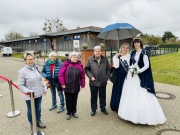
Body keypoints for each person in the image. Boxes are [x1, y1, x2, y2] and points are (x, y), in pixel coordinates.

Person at [118, 38, 167, 125]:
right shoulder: (133, 53)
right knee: (130, 94)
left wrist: (138, 71)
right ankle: (130, 114)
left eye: (138, 43)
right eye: (135, 43)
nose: (136, 44)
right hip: (132, 77)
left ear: (140, 44)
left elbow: (147, 65)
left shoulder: (144, 53)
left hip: (140, 76)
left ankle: (143, 117)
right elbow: (129, 61)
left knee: (142, 94)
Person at [18, 52, 47, 129]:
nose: (31, 61)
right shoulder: (22, 71)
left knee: (38, 108)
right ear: (25, 61)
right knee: (31, 110)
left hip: (39, 94)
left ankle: (38, 121)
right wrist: (29, 92)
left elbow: (40, 80)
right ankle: (32, 124)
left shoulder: (36, 68)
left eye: (32, 59)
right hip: (29, 96)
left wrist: (44, 88)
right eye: (29, 59)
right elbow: (20, 85)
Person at [58, 51, 85, 120]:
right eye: (73, 57)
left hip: (76, 85)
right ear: (70, 58)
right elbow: (60, 75)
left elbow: (82, 76)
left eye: (76, 57)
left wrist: (82, 84)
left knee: (75, 100)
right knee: (68, 100)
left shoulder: (80, 65)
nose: (75, 58)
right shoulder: (66, 64)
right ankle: (68, 112)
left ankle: (74, 112)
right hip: (67, 86)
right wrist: (63, 84)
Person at [85, 46, 111, 116]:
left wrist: (106, 77)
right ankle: (93, 109)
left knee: (102, 96)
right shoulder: (90, 59)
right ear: (94, 52)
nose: (97, 52)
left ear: (101, 52)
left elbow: (109, 69)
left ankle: (103, 108)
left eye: (99, 51)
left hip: (103, 81)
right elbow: (86, 69)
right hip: (93, 82)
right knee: (93, 96)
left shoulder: (105, 59)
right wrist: (90, 77)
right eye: (96, 51)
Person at [110, 43, 130, 112]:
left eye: (127, 48)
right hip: (119, 77)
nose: (125, 49)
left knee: (126, 90)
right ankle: (117, 105)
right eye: (124, 47)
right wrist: (116, 57)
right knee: (118, 90)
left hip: (127, 77)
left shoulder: (129, 56)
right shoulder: (117, 56)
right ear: (121, 48)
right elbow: (116, 66)